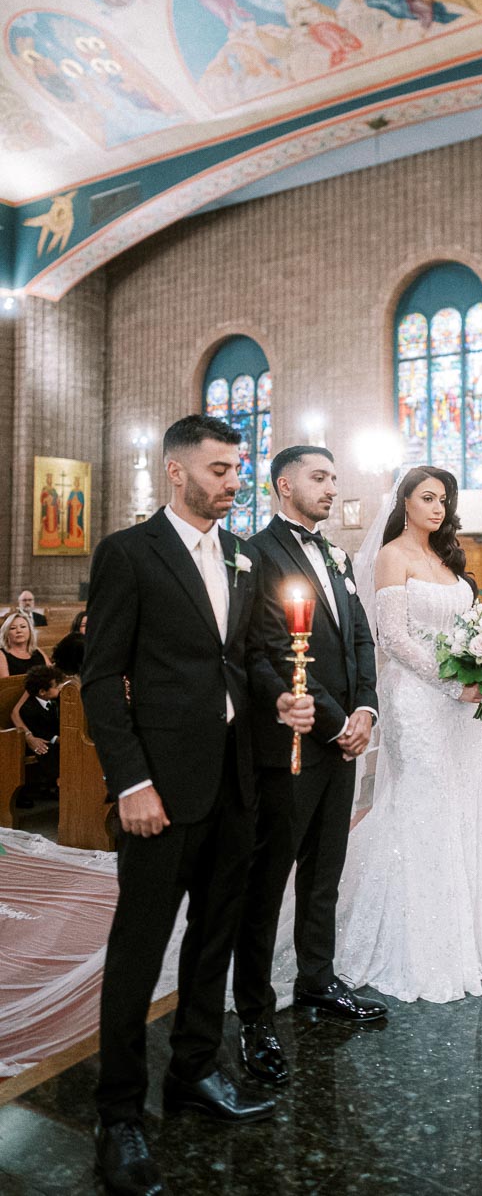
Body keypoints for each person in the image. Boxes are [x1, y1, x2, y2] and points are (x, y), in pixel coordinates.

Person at [81, 415, 314, 1196]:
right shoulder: (128, 554)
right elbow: (99, 681)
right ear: (175, 472)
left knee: (212, 940)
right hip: (161, 790)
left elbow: (246, 657)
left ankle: (192, 1072)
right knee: (138, 951)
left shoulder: (244, 556)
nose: (232, 481)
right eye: (218, 469)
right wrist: (131, 782)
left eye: (236, 468)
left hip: (235, 782)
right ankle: (117, 1115)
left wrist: (281, 698)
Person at [232, 443, 384, 1089]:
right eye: (319, 478)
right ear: (284, 484)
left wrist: (368, 710)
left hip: (344, 739)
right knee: (269, 880)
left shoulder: (339, 555)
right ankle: (255, 1013)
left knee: (325, 870)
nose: (331, 487)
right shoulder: (255, 554)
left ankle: (317, 980)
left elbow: (359, 638)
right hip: (291, 742)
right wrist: (332, 720)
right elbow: (267, 647)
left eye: (333, 476)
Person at [334, 466, 482, 1003]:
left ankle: (467, 936)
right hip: (416, 696)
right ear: (405, 501)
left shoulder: (448, 558)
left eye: (444, 499)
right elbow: (391, 637)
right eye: (428, 498)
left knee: (463, 802)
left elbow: (469, 627)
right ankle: (414, 943)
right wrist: (454, 684)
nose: (438, 508)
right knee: (422, 801)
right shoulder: (394, 555)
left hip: (459, 703)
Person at [12, 663, 63, 798]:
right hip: (38, 738)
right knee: (46, 750)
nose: (58, 688)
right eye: (55, 686)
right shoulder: (29, 709)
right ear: (42, 692)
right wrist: (57, 739)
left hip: (52, 736)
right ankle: (57, 782)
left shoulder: (55, 700)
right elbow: (39, 732)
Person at [0, 611, 50, 677]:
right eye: (13, 628)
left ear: (30, 631)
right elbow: (5, 684)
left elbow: (53, 675)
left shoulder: (37, 651)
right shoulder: (1, 655)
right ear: (6, 633)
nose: (19, 631)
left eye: (23, 627)